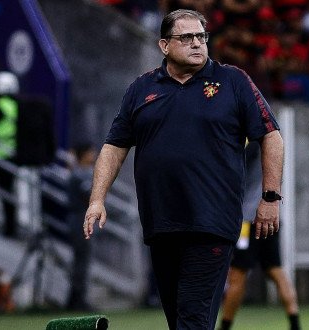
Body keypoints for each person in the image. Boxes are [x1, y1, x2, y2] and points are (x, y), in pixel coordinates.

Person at [83, 9, 284, 330]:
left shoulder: (233, 81)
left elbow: (271, 135)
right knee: (181, 321)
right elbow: (114, 146)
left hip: (211, 222)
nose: (197, 44)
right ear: (164, 46)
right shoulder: (141, 88)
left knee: (191, 319)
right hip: (161, 223)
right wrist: (97, 199)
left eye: (202, 37)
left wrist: (270, 196)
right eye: (186, 37)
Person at [219, 140, 300, 330]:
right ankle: (296, 324)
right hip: (270, 215)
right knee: (275, 269)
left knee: (237, 274)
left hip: (249, 219)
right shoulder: (270, 138)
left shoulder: (250, 141)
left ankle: (224, 327)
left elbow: (232, 168)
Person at [0, 71, 55, 237]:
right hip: (14, 153)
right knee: (10, 192)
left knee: (4, 193)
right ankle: (13, 226)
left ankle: (9, 228)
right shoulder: (18, 105)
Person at [66, 142, 96, 311]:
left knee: (81, 260)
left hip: (78, 217)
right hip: (79, 218)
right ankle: (78, 300)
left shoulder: (78, 172)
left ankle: (74, 298)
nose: (94, 155)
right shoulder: (79, 174)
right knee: (81, 261)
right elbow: (89, 195)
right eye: (91, 152)